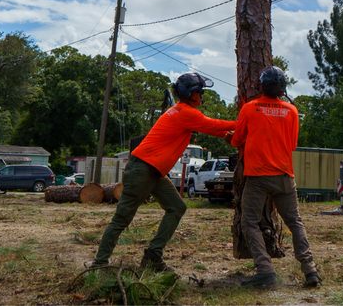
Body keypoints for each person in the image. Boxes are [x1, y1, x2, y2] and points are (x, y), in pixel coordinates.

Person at [91, 72, 235, 272]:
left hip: (153, 171)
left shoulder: (180, 111)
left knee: (177, 207)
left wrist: (235, 131)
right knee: (122, 218)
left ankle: (153, 255)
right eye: (201, 92)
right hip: (142, 170)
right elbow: (213, 125)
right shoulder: (186, 112)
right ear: (193, 94)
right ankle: (99, 263)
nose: (202, 96)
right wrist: (246, 122)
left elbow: (215, 129)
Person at [232, 66, 320, 289]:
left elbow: (237, 140)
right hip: (284, 176)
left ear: (261, 86)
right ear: (282, 89)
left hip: (258, 177)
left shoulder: (250, 109)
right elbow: (292, 144)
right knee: (295, 222)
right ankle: (310, 270)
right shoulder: (291, 111)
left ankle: (265, 270)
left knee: (249, 222)